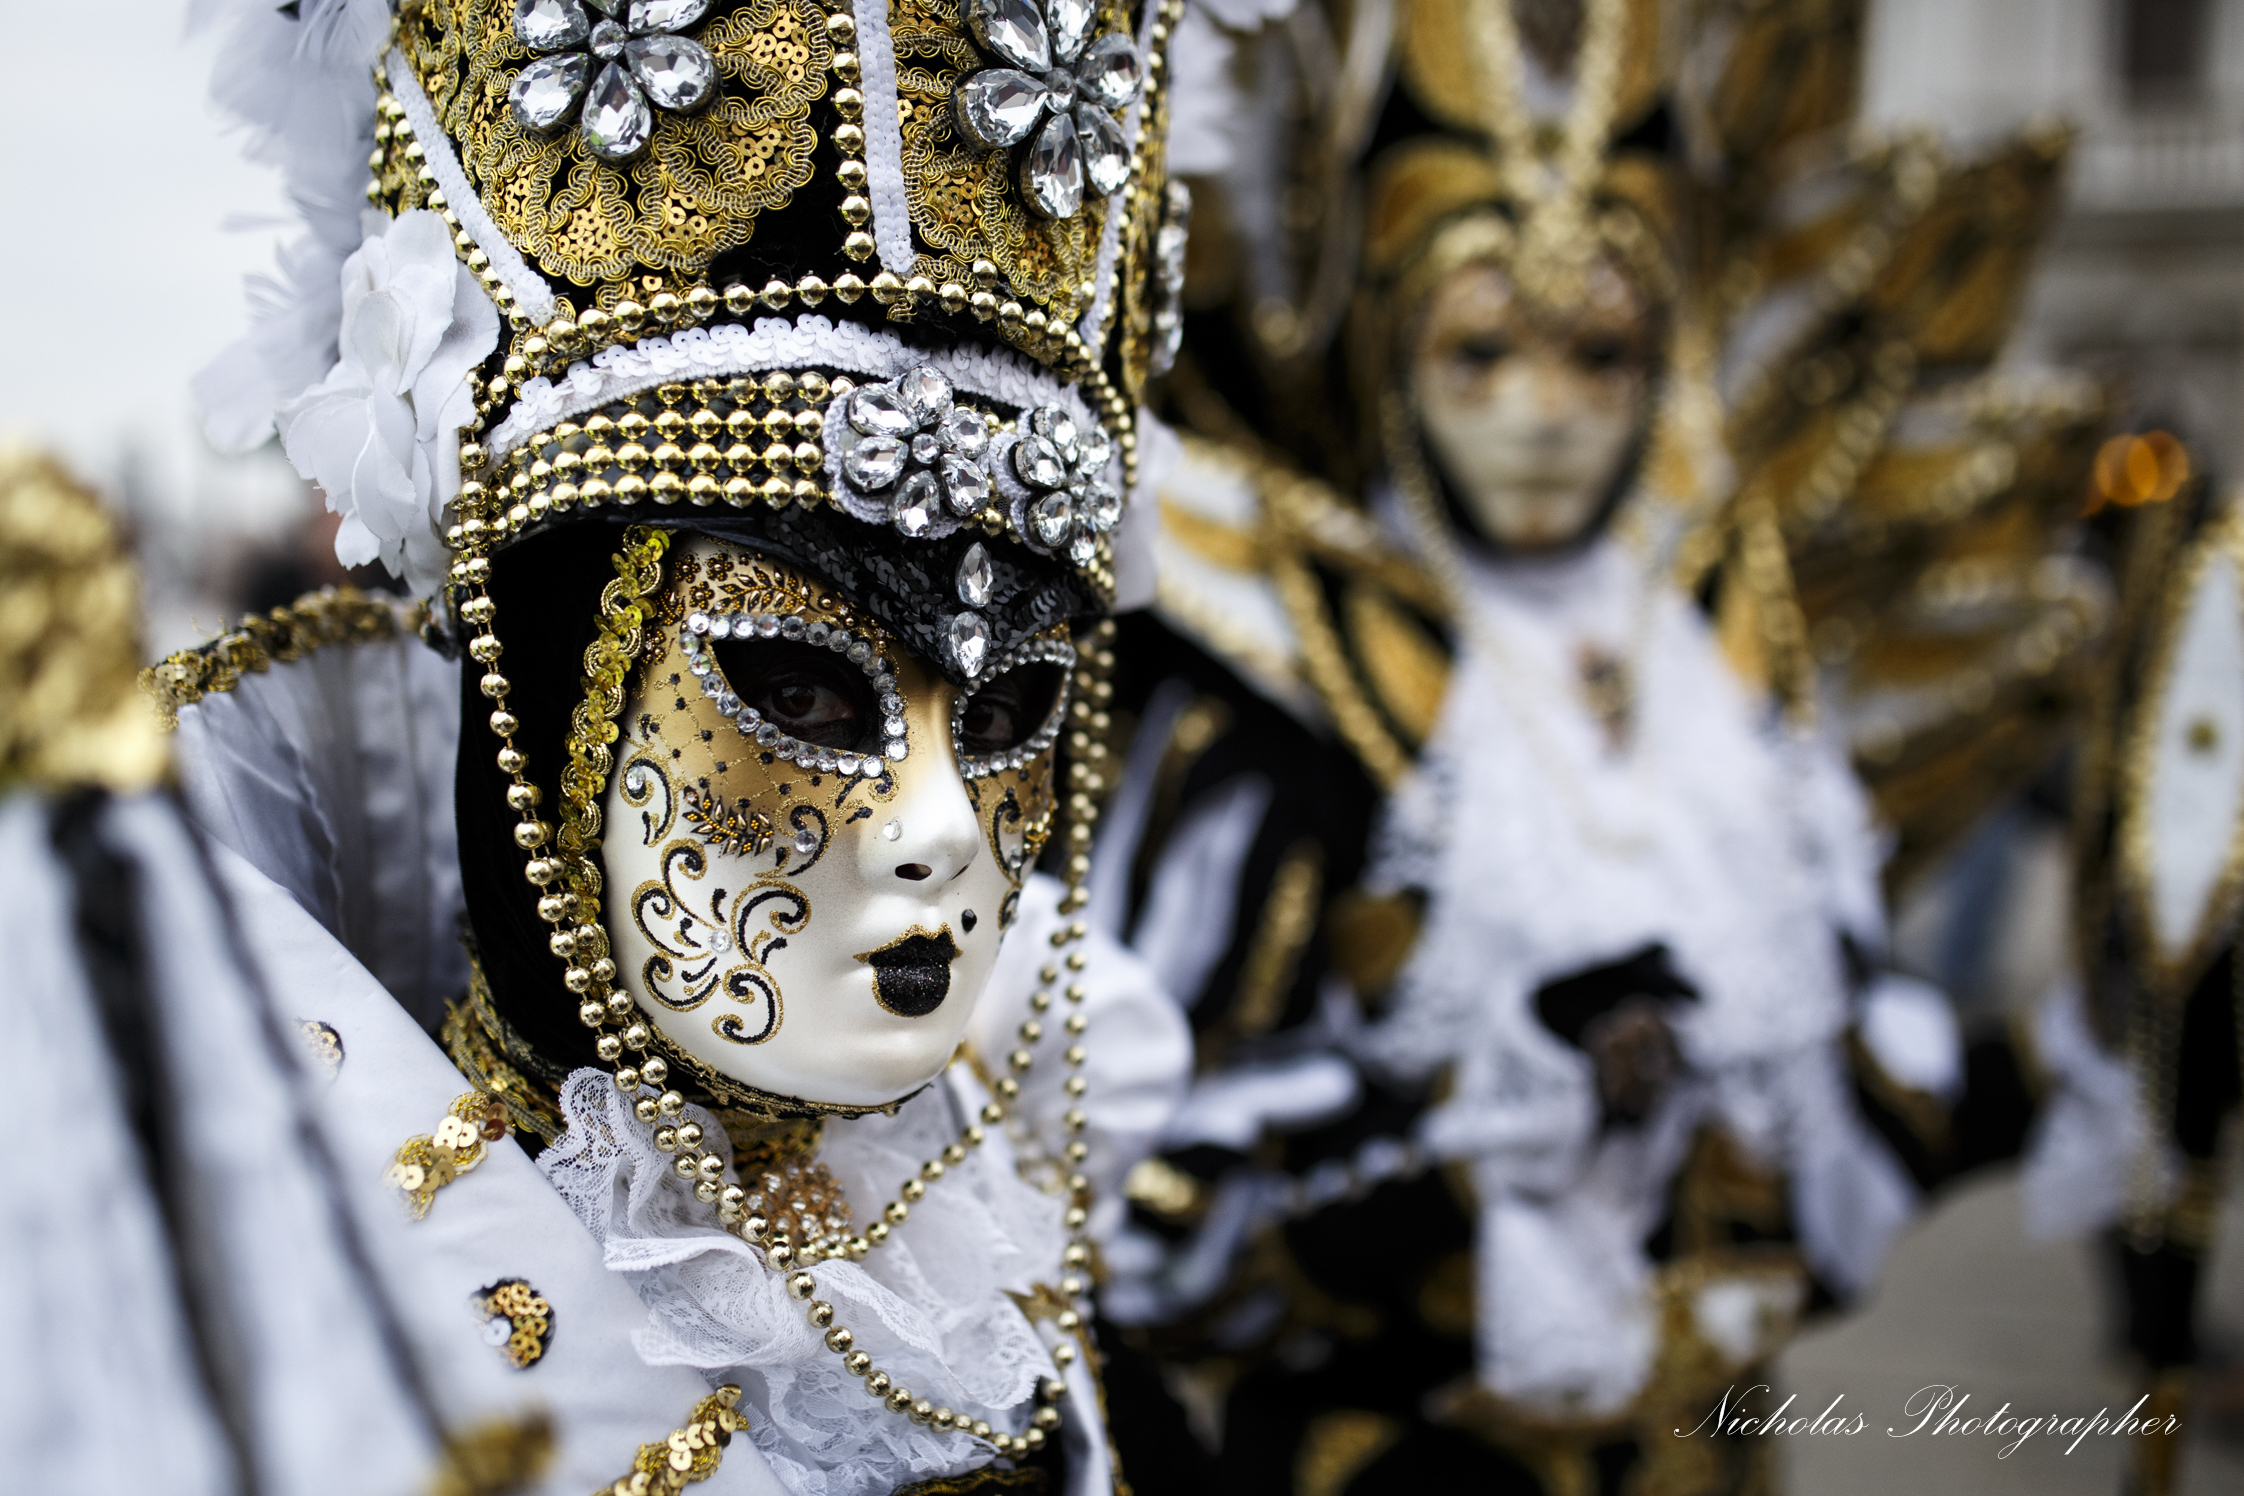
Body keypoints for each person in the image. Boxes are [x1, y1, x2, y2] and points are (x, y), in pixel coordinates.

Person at [139, 0, 1199, 1490]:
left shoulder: (1006, 1277)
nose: (943, 828)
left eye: (1012, 714)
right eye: (810, 693)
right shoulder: (264, 1344)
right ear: (552, 675)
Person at [1091, 1, 2106, 1491]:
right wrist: (1482, 1130)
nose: (1545, 416)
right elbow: (1137, 1198)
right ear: (1391, 347)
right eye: (1482, 350)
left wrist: (2085, 1054)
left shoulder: (1721, 676)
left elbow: (1843, 1091)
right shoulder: (1287, 681)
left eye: (1600, 355)